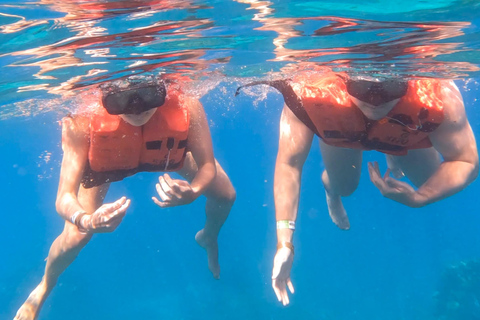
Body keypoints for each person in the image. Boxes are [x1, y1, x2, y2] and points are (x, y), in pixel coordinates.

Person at [237, 70, 478, 306]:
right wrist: (284, 242)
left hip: (406, 129)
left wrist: (421, 196)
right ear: (345, 77)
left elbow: (466, 161)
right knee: (345, 186)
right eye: (362, 86)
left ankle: (393, 150)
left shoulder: (439, 94)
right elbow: (289, 164)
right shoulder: (312, 89)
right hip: (343, 126)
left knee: (430, 180)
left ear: (409, 77)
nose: (375, 101)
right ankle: (330, 185)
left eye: (390, 86)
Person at [14, 74, 236, 320]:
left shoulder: (187, 105)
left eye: (149, 95)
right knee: (77, 235)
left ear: (163, 88)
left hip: (166, 153)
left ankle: (208, 236)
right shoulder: (80, 121)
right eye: (120, 100)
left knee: (226, 195)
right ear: (104, 96)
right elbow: (63, 198)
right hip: (109, 165)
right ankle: (45, 284)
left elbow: (207, 167)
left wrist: (194, 191)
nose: (137, 108)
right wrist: (87, 221)